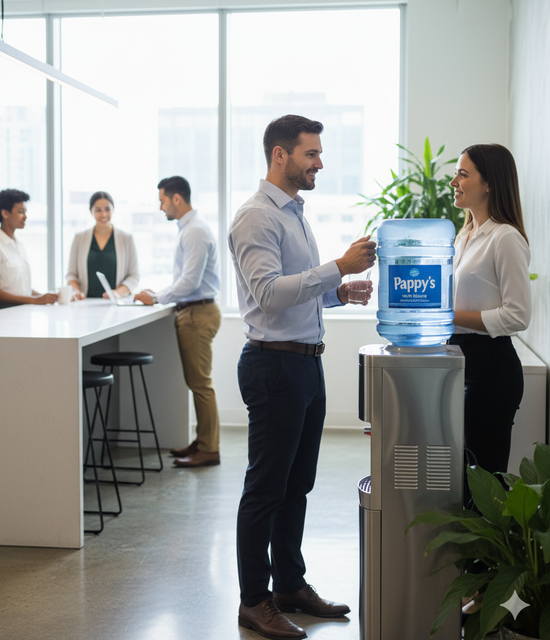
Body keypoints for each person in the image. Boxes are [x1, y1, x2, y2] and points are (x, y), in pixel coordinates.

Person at [228, 114, 376, 640]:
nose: (319, 162)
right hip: (275, 366)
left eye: (317, 153)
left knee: (298, 485)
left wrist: (339, 292)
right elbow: (268, 293)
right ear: (279, 155)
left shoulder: (293, 213)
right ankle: (254, 600)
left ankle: (290, 585)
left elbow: (294, 292)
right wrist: (338, 266)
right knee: (266, 487)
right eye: (310, 154)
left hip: (304, 362)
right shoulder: (255, 217)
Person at [448, 144, 532, 505]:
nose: (454, 181)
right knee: (464, 479)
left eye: (463, 174)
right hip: (460, 361)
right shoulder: (464, 235)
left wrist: (448, 317)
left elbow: (517, 315)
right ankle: (467, 564)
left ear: (489, 185)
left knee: (485, 485)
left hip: (491, 369)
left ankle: (486, 564)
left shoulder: (505, 238)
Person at [134, 176, 222, 468]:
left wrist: (157, 297)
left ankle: (209, 449)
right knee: (198, 383)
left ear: (176, 199)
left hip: (197, 313)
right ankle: (203, 441)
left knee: (201, 385)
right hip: (195, 310)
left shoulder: (194, 231)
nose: (161, 208)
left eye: (162, 201)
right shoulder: (191, 229)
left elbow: (189, 281)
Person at [0, 189, 58, 312]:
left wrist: (47, 297)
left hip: (18, 312)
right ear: (5, 213)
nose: (25, 216)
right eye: (21, 212)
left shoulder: (18, 245)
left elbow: (20, 289)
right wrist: (34, 300)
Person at [66, 191, 140, 300]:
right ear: (91, 211)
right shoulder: (79, 238)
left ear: (113, 209)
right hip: (85, 303)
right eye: (98, 210)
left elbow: (134, 275)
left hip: (117, 303)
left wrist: (117, 293)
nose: (103, 214)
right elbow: (71, 275)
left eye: (107, 209)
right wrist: (76, 291)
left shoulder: (127, 239)